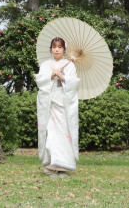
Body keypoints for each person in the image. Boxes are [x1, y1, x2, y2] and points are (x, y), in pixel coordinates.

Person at [35, 36, 80, 176]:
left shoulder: (70, 65)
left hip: (64, 105)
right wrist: (51, 76)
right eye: (54, 47)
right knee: (52, 136)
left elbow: (74, 83)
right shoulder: (45, 65)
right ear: (51, 49)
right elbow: (40, 82)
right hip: (50, 105)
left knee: (64, 136)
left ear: (64, 50)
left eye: (60, 47)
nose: (57, 49)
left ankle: (63, 167)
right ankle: (51, 167)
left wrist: (63, 78)